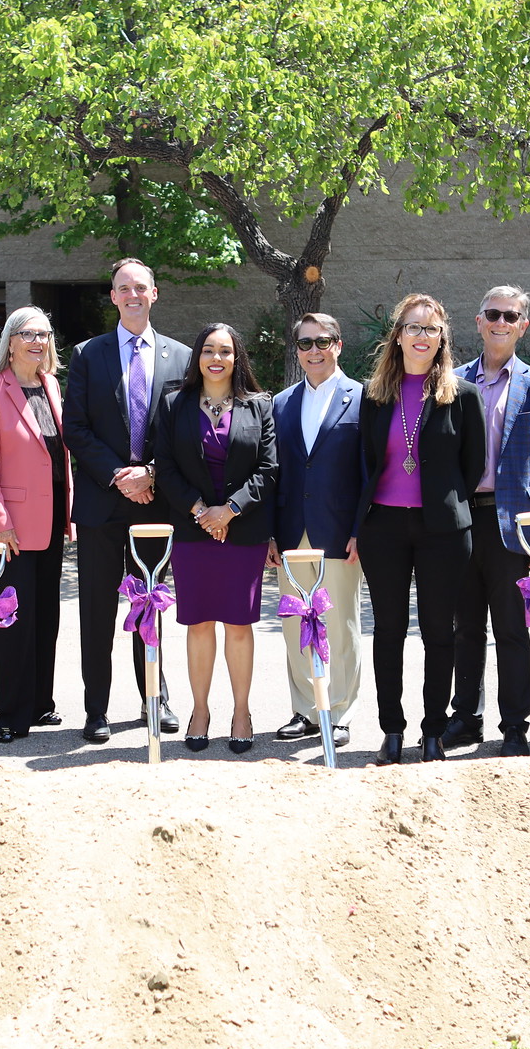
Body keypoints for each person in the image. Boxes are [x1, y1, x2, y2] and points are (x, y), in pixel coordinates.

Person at [62, 257, 188, 742]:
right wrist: (119, 475)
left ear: (155, 293)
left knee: (150, 602)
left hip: (157, 503)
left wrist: (151, 473)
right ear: (112, 297)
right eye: (123, 288)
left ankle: (155, 696)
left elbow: (184, 431)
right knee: (97, 608)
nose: (133, 294)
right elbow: (75, 427)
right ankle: (96, 709)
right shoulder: (89, 355)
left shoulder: (180, 357)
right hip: (102, 501)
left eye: (141, 287)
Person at [354, 293, 484, 764]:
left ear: (443, 336)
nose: (422, 336)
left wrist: (442, 505)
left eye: (431, 329)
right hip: (383, 527)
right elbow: (364, 464)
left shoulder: (462, 394)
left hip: (443, 531)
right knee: (388, 629)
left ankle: (433, 731)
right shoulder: (375, 395)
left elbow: (472, 468)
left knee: (439, 633)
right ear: (398, 335)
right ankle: (392, 731)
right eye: (414, 327)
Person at [441, 285, 530, 757]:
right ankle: (467, 719)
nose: (500, 322)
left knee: (512, 629)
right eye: (491, 313)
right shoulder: (450, 382)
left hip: (514, 529)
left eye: (510, 316)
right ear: (478, 321)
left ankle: (515, 725)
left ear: (523, 326)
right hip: (461, 522)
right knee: (465, 628)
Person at [152, 323, 278, 753]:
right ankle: (200, 710)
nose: (217, 358)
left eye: (226, 350)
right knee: (199, 624)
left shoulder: (260, 405)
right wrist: (201, 511)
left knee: (239, 625)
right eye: (208, 350)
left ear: (237, 358)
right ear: (198, 357)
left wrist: (231, 509)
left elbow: (268, 469)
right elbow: (164, 466)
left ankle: (241, 712)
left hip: (244, 531)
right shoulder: (174, 403)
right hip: (193, 530)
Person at [0, 306, 71, 742]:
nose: (37, 342)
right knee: (13, 620)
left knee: (46, 617)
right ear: (10, 341)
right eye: (28, 334)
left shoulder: (50, 385)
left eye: (44, 334)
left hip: (50, 523)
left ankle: (38, 702)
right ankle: (8, 712)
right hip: (9, 528)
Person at [270, 313, 365, 749]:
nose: (313, 351)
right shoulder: (281, 402)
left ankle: (339, 710)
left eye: (322, 341)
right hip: (291, 531)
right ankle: (306, 709)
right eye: (305, 344)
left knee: (338, 622)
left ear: (338, 345)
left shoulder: (363, 399)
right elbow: (272, 472)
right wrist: (271, 533)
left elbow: (370, 472)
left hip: (338, 531)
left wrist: (361, 529)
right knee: (294, 623)